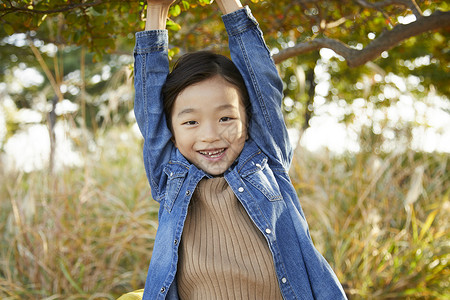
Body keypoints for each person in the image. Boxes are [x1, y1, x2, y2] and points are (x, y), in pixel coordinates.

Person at [131, 0, 348, 299]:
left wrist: (227, 3)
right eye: (191, 121)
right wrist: (156, 10)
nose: (210, 135)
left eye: (226, 118)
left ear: (248, 118)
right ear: (171, 129)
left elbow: (263, 84)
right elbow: (148, 105)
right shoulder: (170, 175)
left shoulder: (265, 161)